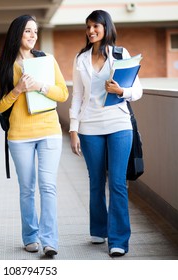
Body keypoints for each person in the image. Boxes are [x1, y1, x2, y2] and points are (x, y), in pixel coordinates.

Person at [69, 10, 142, 257]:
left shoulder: (121, 54)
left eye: (95, 26)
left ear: (105, 27)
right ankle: (99, 229)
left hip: (119, 124)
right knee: (96, 180)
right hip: (90, 126)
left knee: (118, 182)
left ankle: (119, 239)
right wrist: (73, 128)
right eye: (88, 26)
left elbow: (137, 90)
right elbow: (77, 96)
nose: (91, 31)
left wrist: (122, 91)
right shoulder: (81, 58)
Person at [0, 15, 68, 257]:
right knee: (27, 188)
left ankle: (49, 241)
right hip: (19, 135)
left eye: (35, 31)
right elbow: (0, 106)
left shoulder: (47, 60)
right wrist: (18, 90)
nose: (33, 35)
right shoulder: (5, 66)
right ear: (17, 33)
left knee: (48, 186)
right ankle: (30, 237)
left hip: (49, 131)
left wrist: (40, 87)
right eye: (28, 31)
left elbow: (63, 94)